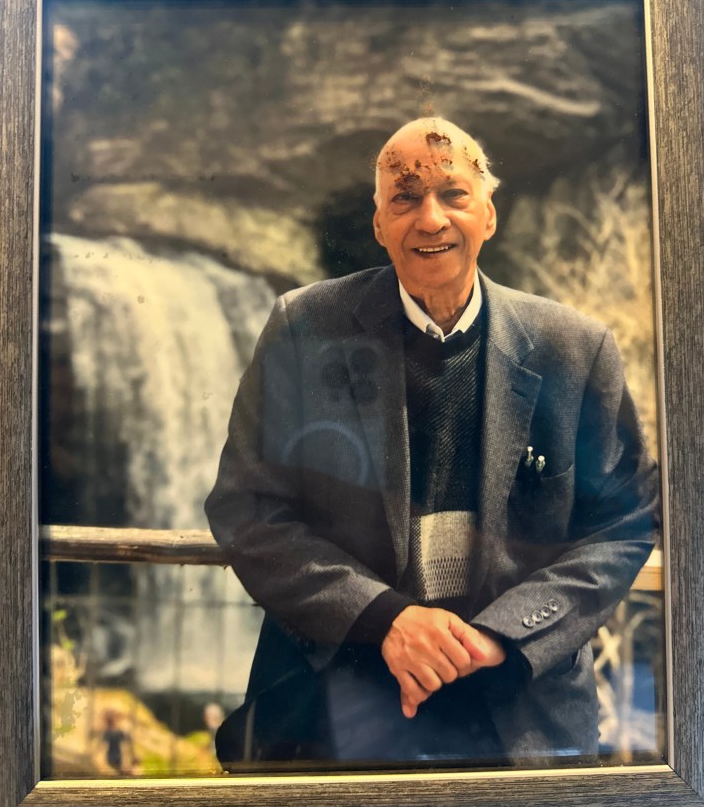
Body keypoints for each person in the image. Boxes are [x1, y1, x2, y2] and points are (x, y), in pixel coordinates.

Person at [205, 117, 658, 766]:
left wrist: (501, 638)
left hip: (517, 706)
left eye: (453, 194)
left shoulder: (575, 349)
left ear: (488, 215)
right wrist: (387, 618)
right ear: (379, 224)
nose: (431, 218)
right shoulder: (303, 328)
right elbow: (247, 507)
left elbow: (623, 524)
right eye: (406, 197)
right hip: (333, 701)